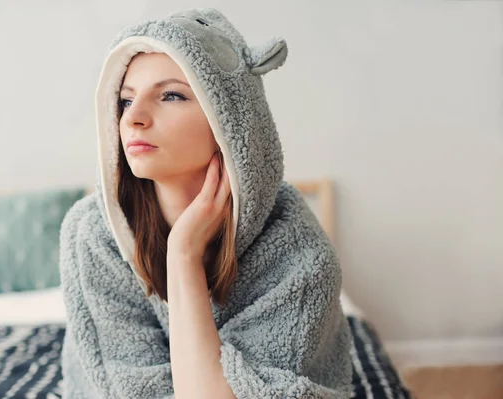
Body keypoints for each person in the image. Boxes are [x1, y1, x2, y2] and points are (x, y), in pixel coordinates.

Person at [59, 7, 353, 399]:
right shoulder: (94, 235)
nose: (134, 119)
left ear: (229, 121)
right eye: (126, 101)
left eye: (170, 95)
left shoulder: (299, 257)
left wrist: (182, 257)